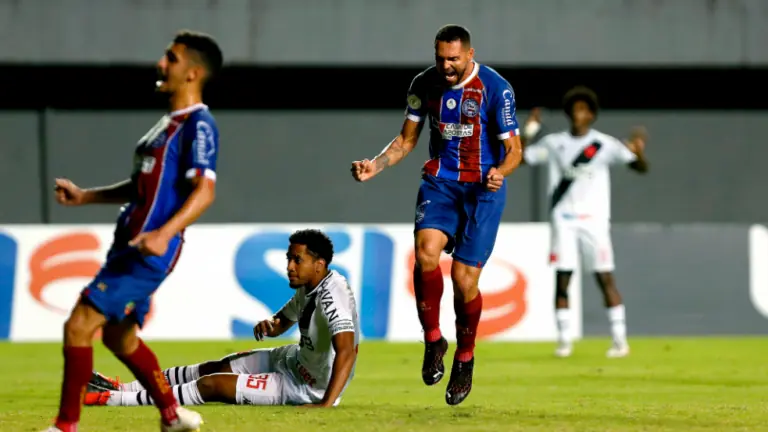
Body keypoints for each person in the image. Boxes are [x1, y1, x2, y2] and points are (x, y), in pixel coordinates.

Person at [43, 30, 223, 432]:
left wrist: (164, 233)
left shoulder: (199, 124)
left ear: (193, 73)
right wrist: (86, 196)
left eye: (170, 59)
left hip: (147, 251)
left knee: (79, 324)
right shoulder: (164, 128)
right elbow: (141, 187)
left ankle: (65, 426)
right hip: (129, 245)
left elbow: (205, 191)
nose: (161, 64)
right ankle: (172, 416)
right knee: (119, 340)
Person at [350, 24, 522, 405]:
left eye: (453, 59)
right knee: (425, 252)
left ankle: (465, 357)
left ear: (470, 55)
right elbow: (406, 139)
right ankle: (433, 340)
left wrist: (500, 172)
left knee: (464, 280)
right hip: (442, 182)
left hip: (482, 189)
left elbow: (514, 150)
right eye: (440, 58)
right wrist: (376, 165)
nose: (446, 66)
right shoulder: (423, 85)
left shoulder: (497, 89)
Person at [84, 229, 359, 409]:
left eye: (296, 260)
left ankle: (110, 399)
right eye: (289, 258)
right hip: (292, 359)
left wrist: (326, 403)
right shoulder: (308, 286)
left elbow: (348, 350)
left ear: (319, 264)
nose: (289, 266)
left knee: (212, 384)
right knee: (214, 367)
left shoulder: (333, 296)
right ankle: (121, 386)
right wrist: (271, 325)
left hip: (305, 386)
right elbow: (283, 322)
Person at [520, 86, 649, 359]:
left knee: (605, 277)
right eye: (574, 109)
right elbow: (520, 158)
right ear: (569, 114)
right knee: (563, 278)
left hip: (595, 221)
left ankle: (619, 340)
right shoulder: (554, 143)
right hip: (563, 219)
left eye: (584, 110)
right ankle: (564, 341)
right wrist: (529, 131)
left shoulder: (604, 144)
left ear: (591, 115)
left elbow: (638, 167)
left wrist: (639, 153)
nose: (579, 114)